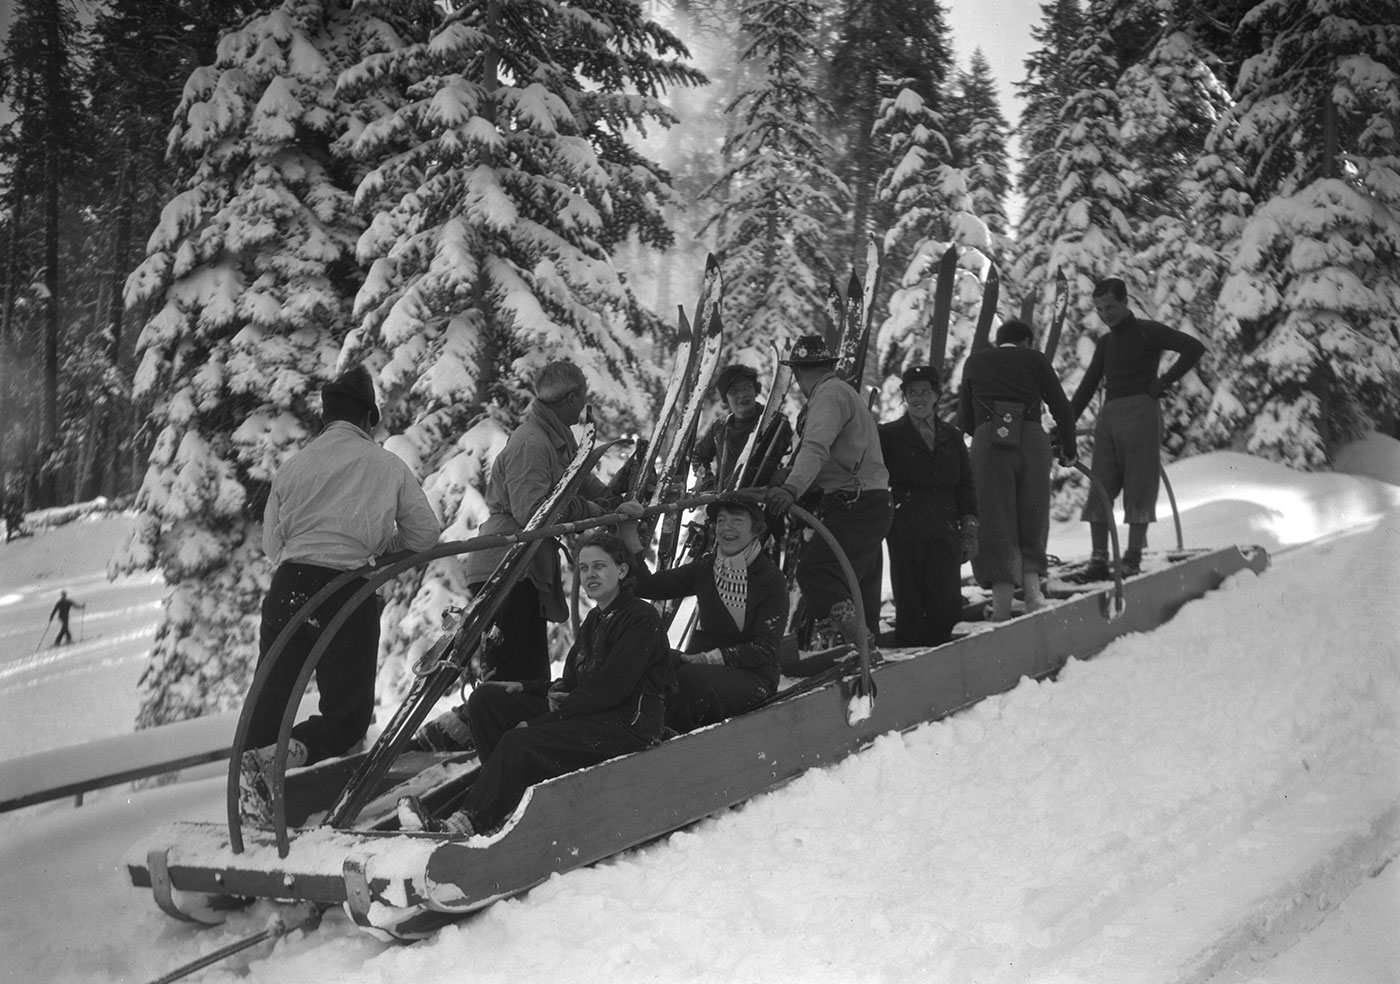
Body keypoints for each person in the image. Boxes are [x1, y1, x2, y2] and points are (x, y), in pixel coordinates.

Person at [241, 364, 441, 826]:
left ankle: (253, 797)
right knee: (347, 715)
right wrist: (379, 545)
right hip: (347, 592)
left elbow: (274, 547)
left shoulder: (295, 466)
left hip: (290, 587)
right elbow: (426, 534)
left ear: (326, 418)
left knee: (269, 697)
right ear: (368, 418)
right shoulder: (386, 465)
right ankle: (305, 761)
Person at [397, 532, 673, 837]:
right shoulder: (596, 619)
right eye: (583, 568)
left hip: (627, 723)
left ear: (622, 571)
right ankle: (506, 800)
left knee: (519, 740)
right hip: (593, 711)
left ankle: (463, 824)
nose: (590, 575)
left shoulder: (640, 618)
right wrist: (529, 689)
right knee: (486, 701)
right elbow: (574, 682)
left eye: (599, 566)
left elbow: (609, 689)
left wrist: (541, 721)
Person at [407, 361, 617, 754]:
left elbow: (580, 481)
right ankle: (475, 744)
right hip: (506, 570)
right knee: (511, 678)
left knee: (527, 676)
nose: (585, 404)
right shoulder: (532, 443)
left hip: (523, 569)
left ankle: (501, 743)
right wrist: (590, 508)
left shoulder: (555, 440)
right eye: (583, 397)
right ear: (571, 398)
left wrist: (615, 497)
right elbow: (533, 509)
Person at [1067, 278, 1206, 580]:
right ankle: (1099, 561)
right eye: (1100, 309)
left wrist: (1164, 381)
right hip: (1110, 417)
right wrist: (1066, 426)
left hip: (1142, 412)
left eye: (1111, 307)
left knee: (1139, 486)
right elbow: (1088, 386)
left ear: (1125, 302)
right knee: (1100, 487)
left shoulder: (1147, 331)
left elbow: (1193, 347)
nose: (1106, 314)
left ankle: (1132, 559)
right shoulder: (1105, 343)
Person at [617, 492, 788, 732]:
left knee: (691, 680)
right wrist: (628, 532)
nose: (726, 528)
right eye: (721, 521)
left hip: (752, 677)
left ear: (756, 530)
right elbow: (648, 586)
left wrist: (710, 658)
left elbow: (764, 649)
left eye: (737, 521)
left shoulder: (771, 581)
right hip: (701, 665)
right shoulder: (708, 566)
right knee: (652, 660)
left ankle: (664, 743)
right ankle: (628, 728)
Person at [762, 335, 892, 645]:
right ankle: (867, 649)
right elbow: (825, 453)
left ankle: (855, 643)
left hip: (855, 501)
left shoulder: (828, 395)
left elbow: (816, 447)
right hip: (871, 501)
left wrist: (792, 488)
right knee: (856, 586)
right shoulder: (840, 392)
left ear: (798, 373)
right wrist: (787, 475)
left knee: (817, 570)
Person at [959, 319, 1078, 621]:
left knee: (996, 519)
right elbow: (1062, 408)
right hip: (1032, 440)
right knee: (1032, 515)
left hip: (989, 442)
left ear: (999, 341)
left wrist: (987, 431)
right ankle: (1034, 595)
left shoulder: (974, 362)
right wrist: (1069, 447)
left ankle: (1001, 607)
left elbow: (964, 419)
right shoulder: (1035, 359)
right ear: (1025, 341)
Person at [878, 366, 977, 646]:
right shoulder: (889, 435)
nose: (919, 398)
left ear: (936, 395)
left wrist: (970, 522)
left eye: (925, 391)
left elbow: (966, 483)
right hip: (905, 525)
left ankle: (945, 659)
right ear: (905, 398)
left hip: (945, 524)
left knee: (945, 599)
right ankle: (912, 664)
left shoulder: (952, 436)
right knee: (910, 600)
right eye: (912, 392)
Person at [691, 364, 792, 490]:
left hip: (762, 500)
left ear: (755, 390)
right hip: (724, 501)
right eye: (734, 391)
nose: (742, 394)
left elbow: (773, 465)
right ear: (726, 399)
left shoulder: (776, 423)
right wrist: (707, 481)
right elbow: (698, 456)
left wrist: (734, 482)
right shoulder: (720, 429)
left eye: (747, 387)